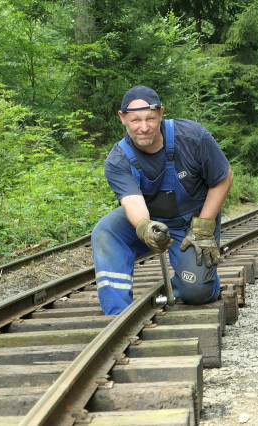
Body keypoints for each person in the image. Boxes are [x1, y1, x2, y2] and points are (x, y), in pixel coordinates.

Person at [91, 85, 234, 315]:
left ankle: (196, 284)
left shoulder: (192, 137)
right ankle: (118, 313)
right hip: (152, 219)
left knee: (196, 292)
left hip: (193, 223)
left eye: (150, 119)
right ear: (123, 118)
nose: (144, 127)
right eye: (136, 120)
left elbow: (223, 177)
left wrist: (205, 227)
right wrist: (146, 227)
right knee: (106, 231)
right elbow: (132, 201)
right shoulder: (118, 160)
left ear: (161, 113)